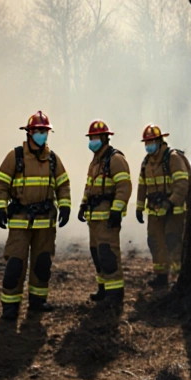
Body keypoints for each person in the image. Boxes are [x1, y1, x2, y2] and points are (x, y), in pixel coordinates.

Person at [0, 111, 72, 321]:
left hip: (45, 223)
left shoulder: (53, 159)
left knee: (42, 263)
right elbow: (1, 183)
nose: (41, 135)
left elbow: (63, 185)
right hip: (20, 222)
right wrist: (0, 208)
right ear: (29, 133)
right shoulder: (15, 156)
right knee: (15, 265)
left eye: (44, 131)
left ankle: (37, 302)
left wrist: (65, 206)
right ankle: (10, 307)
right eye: (37, 131)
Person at [77, 119, 132, 310]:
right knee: (97, 253)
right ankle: (103, 288)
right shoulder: (96, 161)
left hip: (108, 218)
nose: (92, 141)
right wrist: (83, 205)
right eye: (90, 137)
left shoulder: (115, 159)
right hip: (94, 218)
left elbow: (124, 187)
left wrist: (117, 210)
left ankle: (115, 294)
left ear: (105, 138)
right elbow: (89, 186)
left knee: (108, 255)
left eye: (96, 137)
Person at [135, 125, 190, 287]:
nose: (148, 145)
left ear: (159, 141)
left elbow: (182, 183)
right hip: (154, 211)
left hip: (174, 210)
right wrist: (139, 207)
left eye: (151, 141)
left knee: (172, 240)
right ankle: (161, 276)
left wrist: (171, 202)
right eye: (146, 142)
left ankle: (179, 277)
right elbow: (142, 186)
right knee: (155, 241)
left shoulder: (172, 158)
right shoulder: (146, 162)